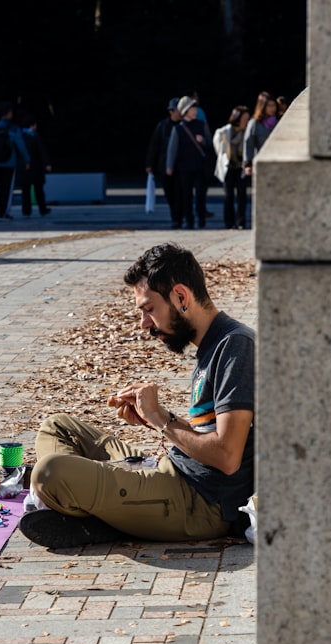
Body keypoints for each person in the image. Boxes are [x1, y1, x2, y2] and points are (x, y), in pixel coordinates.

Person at [19, 242, 256, 548]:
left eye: (149, 309)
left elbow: (226, 457)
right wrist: (157, 419)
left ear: (181, 297)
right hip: (173, 472)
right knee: (57, 426)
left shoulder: (235, 346)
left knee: (49, 472)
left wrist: (160, 420)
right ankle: (95, 510)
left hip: (200, 505)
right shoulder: (213, 344)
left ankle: (93, 513)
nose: (144, 324)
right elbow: (208, 436)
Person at [165, 96, 210, 229]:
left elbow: (209, 143)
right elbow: (172, 149)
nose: (195, 110)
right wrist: (169, 166)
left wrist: (202, 141)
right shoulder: (179, 128)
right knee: (186, 194)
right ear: (185, 111)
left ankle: (201, 217)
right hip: (184, 166)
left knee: (201, 193)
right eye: (192, 108)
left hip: (200, 165)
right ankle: (189, 220)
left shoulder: (201, 124)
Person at [144, 97, 182, 227]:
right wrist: (150, 164)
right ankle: (175, 215)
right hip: (164, 165)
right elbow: (154, 145)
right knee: (169, 192)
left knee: (180, 192)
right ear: (171, 111)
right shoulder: (163, 126)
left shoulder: (184, 125)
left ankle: (178, 218)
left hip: (181, 165)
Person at [213, 105, 250, 229]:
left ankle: (241, 221)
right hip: (228, 167)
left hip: (241, 167)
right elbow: (219, 150)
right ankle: (229, 222)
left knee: (242, 196)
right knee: (228, 196)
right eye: (244, 119)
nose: (246, 122)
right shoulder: (223, 132)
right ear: (237, 118)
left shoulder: (247, 133)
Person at [16, 113, 51, 217]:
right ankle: (42, 209)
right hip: (36, 166)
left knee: (25, 190)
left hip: (24, 166)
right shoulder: (35, 136)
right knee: (39, 189)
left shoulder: (20, 136)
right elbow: (41, 151)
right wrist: (47, 163)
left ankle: (26, 211)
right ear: (32, 125)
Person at [243, 90, 278, 178]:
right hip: (261, 161)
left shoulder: (278, 121)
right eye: (269, 106)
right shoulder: (254, 123)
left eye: (274, 105)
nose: (272, 108)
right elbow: (248, 143)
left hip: (276, 160)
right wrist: (247, 163)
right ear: (262, 106)